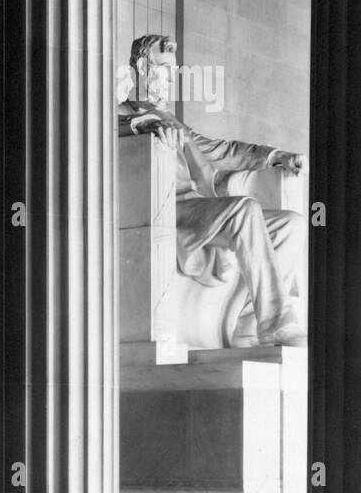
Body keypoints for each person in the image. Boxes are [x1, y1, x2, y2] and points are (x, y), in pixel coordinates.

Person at [117, 34, 307, 347]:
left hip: (203, 210)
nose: (170, 78)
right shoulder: (122, 113)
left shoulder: (174, 122)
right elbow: (101, 130)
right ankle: (276, 323)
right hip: (168, 211)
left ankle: (248, 327)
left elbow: (223, 150)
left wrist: (276, 157)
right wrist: (144, 126)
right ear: (141, 67)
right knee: (245, 210)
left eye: (173, 72)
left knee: (292, 225)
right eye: (163, 69)